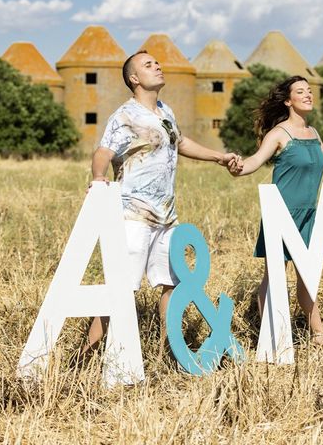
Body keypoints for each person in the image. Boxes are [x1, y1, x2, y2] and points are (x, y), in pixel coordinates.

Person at [82, 50, 241, 355]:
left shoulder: (165, 111)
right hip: (133, 214)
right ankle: (86, 355)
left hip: (166, 216)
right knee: (121, 289)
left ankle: (171, 351)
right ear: (134, 78)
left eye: (157, 63)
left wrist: (219, 157)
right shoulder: (125, 115)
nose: (157, 66)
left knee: (172, 285)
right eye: (148, 65)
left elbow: (180, 142)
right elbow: (104, 151)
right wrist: (99, 175)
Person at [229, 75, 323, 344]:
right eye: (301, 92)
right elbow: (255, 160)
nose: (308, 95)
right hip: (282, 213)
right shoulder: (279, 134)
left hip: (310, 215)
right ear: (289, 101)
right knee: (274, 275)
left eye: (310, 91)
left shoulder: (313, 134)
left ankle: (318, 332)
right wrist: (238, 168)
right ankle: (271, 333)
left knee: (308, 275)